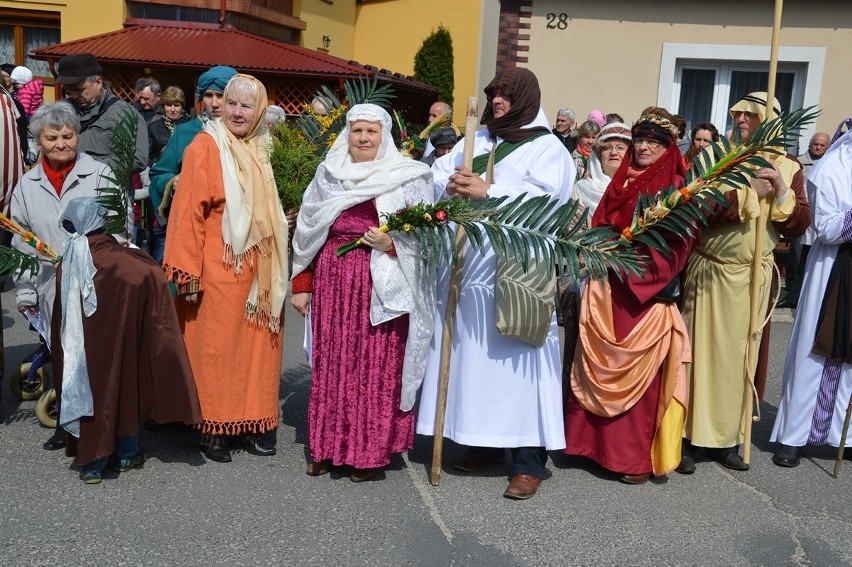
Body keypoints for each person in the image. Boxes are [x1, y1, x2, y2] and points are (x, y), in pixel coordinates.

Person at [416, 67, 575, 500]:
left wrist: (488, 190)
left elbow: (547, 203)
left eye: (506, 94)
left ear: (526, 98)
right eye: (494, 93)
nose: (498, 101)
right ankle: (483, 444)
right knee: (475, 360)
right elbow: (435, 176)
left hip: (519, 271)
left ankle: (528, 462)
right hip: (470, 273)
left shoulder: (548, 149)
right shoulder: (478, 138)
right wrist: (448, 182)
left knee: (521, 367)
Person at [290, 103, 434, 482]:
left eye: (372, 131)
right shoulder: (328, 174)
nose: (364, 138)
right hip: (334, 283)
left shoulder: (407, 176)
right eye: (357, 131)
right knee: (332, 365)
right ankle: (327, 447)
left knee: (373, 367)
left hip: (382, 284)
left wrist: (392, 242)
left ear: (384, 136)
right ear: (347, 135)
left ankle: (366, 453)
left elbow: (428, 238)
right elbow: (308, 232)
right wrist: (302, 285)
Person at [679, 92, 810, 473]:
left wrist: (781, 191)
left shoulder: (788, 166)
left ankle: (728, 440)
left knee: (741, 360)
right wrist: (750, 191)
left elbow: (800, 222)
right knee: (697, 356)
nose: (741, 121)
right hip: (710, 271)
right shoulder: (713, 157)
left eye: (751, 116)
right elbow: (696, 206)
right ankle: (686, 437)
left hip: (754, 278)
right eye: (738, 115)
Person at [162, 74, 289, 463]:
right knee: (215, 349)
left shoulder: (271, 148)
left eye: (245, 105)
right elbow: (187, 215)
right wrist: (188, 273)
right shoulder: (205, 146)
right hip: (218, 268)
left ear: (260, 109)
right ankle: (212, 426)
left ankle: (254, 422)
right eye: (230, 103)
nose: (235, 112)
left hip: (263, 270)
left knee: (259, 351)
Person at [566, 109, 693, 485]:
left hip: (643, 296)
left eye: (654, 141)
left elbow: (677, 245)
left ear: (668, 147)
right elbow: (600, 222)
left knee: (637, 374)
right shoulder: (620, 181)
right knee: (596, 364)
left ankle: (630, 458)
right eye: (640, 139)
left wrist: (627, 265)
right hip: (606, 289)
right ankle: (589, 447)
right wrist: (597, 249)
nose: (644, 146)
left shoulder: (676, 186)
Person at [50, 197, 201, 484]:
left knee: (89, 391)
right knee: (126, 386)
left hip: (82, 355)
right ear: (102, 222)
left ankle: (92, 463)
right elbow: (152, 276)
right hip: (121, 345)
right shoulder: (126, 263)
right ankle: (124, 454)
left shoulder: (67, 264)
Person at [9, 102, 132, 451]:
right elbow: (22, 244)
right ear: (38, 141)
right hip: (51, 285)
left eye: (68, 135)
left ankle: (101, 424)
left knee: (95, 354)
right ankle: (66, 422)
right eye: (52, 137)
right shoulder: (27, 185)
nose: (61, 143)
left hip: (95, 282)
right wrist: (25, 294)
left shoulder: (99, 173)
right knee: (61, 356)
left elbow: (118, 228)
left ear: (78, 136)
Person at [770, 127, 852, 467]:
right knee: (817, 352)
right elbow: (826, 228)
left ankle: (845, 437)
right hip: (835, 268)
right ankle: (795, 436)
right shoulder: (833, 167)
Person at [149, 65, 238, 219]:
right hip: (195, 218)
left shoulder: (245, 133)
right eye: (209, 95)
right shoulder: (184, 132)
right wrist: (172, 182)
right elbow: (159, 174)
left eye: (221, 95)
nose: (215, 103)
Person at [55, 53, 147, 175]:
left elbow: (138, 159)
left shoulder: (125, 114)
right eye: (69, 90)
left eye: (79, 90)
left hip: (106, 191)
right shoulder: (61, 111)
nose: (74, 95)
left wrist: (87, 167)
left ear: (98, 82)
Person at [779, 132, 831, 308]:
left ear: (827, 147)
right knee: (796, 254)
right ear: (810, 144)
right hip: (802, 213)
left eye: (822, 145)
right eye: (815, 144)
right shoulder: (798, 161)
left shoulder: (829, 163)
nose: (817, 147)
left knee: (812, 257)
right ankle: (792, 292)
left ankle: (807, 294)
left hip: (820, 217)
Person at [570, 121, 631, 226]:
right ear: (599, 155)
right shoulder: (582, 188)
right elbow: (574, 232)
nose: (613, 152)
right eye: (607, 148)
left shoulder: (637, 186)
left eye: (620, 148)